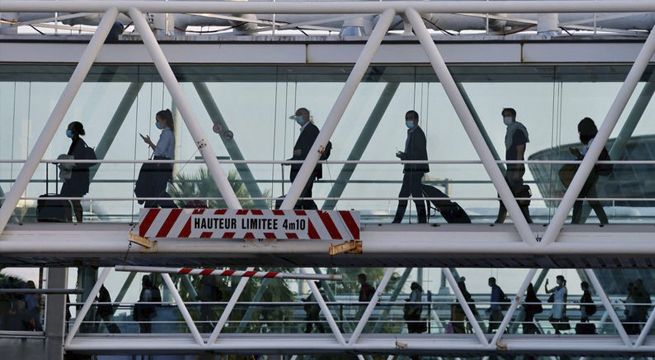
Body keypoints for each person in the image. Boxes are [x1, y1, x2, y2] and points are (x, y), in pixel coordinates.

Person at [569, 117, 609, 224]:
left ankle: (575, 223)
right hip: (591, 175)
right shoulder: (592, 143)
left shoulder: (593, 143)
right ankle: (604, 222)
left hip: (591, 175)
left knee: (578, 198)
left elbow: (590, 160)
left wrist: (578, 154)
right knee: (592, 201)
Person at [495, 108, 532, 224]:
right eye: (504, 116)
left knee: (504, 193)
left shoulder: (517, 130)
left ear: (514, 116)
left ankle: (500, 220)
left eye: (508, 115)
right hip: (512, 167)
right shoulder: (511, 130)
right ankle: (526, 220)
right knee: (516, 193)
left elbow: (520, 151)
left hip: (515, 167)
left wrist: (517, 169)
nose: (506, 118)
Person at [392, 110, 428, 224]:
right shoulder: (413, 133)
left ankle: (398, 221)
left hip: (414, 170)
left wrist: (404, 156)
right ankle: (421, 220)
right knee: (415, 196)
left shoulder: (417, 134)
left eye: (411, 118)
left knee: (404, 195)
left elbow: (418, 153)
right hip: (412, 169)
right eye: (407, 118)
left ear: (417, 120)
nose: (408, 120)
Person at [138, 109, 177, 208]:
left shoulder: (167, 134)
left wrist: (149, 142)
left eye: (158, 121)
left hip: (161, 166)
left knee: (158, 192)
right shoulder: (169, 133)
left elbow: (159, 151)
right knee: (154, 191)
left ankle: (173, 209)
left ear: (164, 121)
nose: (157, 123)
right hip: (164, 165)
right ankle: (149, 210)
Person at [59, 121, 96, 222]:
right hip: (77, 178)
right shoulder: (78, 143)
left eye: (69, 128)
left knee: (68, 198)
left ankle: (73, 221)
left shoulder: (78, 144)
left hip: (76, 178)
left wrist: (64, 160)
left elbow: (76, 160)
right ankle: (75, 221)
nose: (68, 130)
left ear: (74, 130)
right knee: (72, 199)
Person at [287, 107, 321, 210]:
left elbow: (314, 147)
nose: (297, 118)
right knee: (305, 195)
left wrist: (301, 152)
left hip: (306, 169)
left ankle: (310, 211)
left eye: (299, 115)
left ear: (306, 116)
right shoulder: (307, 129)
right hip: (303, 168)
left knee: (302, 193)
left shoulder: (312, 129)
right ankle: (312, 212)